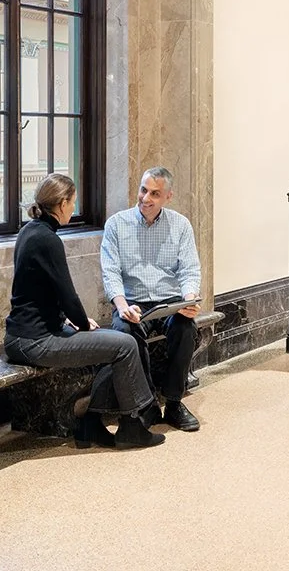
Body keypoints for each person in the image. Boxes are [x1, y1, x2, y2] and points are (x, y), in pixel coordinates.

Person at [4, 173, 164, 449]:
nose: (74, 208)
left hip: (21, 335)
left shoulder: (29, 231)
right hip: (36, 342)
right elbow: (67, 294)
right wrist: (81, 322)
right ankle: (133, 425)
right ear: (62, 203)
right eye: (73, 202)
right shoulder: (48, 240)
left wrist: (71, 320)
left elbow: (40, 293)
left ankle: (92, 425)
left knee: (111, 340)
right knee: (124, 344)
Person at [101, 166, 202, 432]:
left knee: (186, 328)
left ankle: (174, 402)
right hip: (132, 303)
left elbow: (189, 269)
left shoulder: (180, 225)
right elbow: (110, 273)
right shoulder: (116, 224)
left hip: (169, 301)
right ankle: (146, 404)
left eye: (155, 194)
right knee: (125, 332)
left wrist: (189, 300)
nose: (146, 198)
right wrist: (121, 307)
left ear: (168, 196)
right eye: (143, 190)